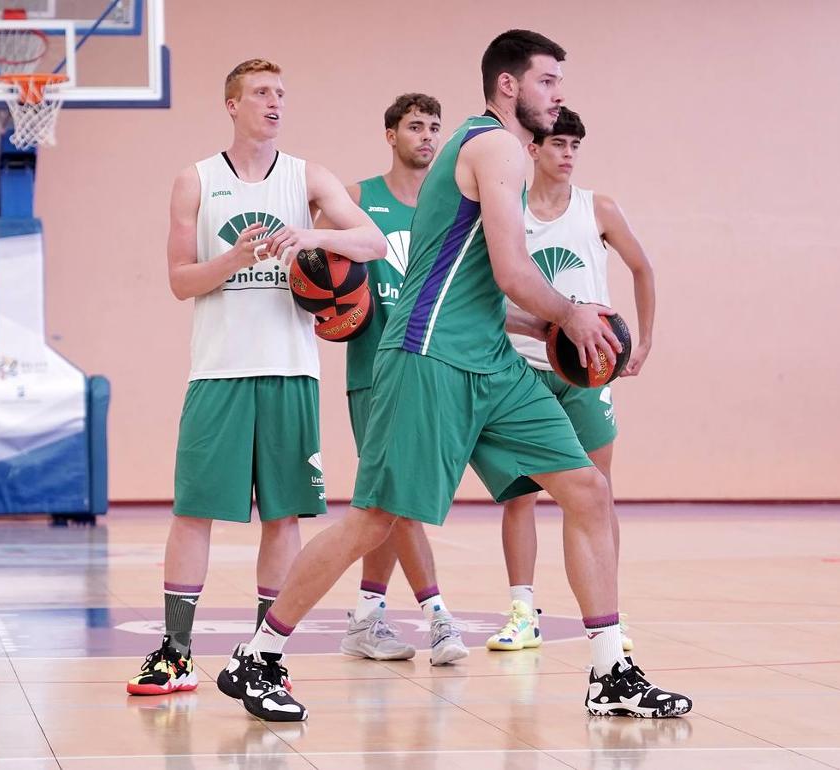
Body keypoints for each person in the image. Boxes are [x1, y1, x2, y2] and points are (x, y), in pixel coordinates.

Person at [215, 31, 692, 722]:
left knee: (587, 488)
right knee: (376, 520)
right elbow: (513, 272)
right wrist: (573, 315)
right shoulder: (493, 147)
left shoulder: (501, 155)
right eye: (548, 80)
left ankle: (609, 670)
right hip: (427, 360)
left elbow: (480, 288)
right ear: (508, 86)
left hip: (489, 360)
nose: (560, 93)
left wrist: (542, 326)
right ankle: (257, 657)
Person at [127, 58, 386, 696]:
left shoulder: (308, 177)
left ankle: (262, 651)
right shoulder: (196, 180)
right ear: (232, 104)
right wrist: (234, 258)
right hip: (218, 372)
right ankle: (176, 652)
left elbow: (374, 241)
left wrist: (310, 238)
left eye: (281, 93)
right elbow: (180, 281)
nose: (274, 103)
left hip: (292, 371)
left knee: (283, 517)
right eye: (262, 93)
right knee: (193, 512)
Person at [487, 107, 655, 653]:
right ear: (532, 150)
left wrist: (645, 340)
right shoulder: (508, 210)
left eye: (574, 146)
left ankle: (611, 609)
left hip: (587, 372)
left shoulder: (598, 209)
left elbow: (642, 268)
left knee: (597, 493)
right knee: (521, 498)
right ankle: (521, 611)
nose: (567, 154)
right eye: (557, 143)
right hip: (524, 366)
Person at [327, 93, 468, 666]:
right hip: (375, 369)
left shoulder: (448, 205)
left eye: (436, 127)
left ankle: (366, 617)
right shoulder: (361, 198)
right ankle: (438, 617)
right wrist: (328, 305)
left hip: (430, 368)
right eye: (416, 126)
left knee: (385, 499)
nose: (428, 137)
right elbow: (314, 274)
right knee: (401, 497)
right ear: (391, 135)